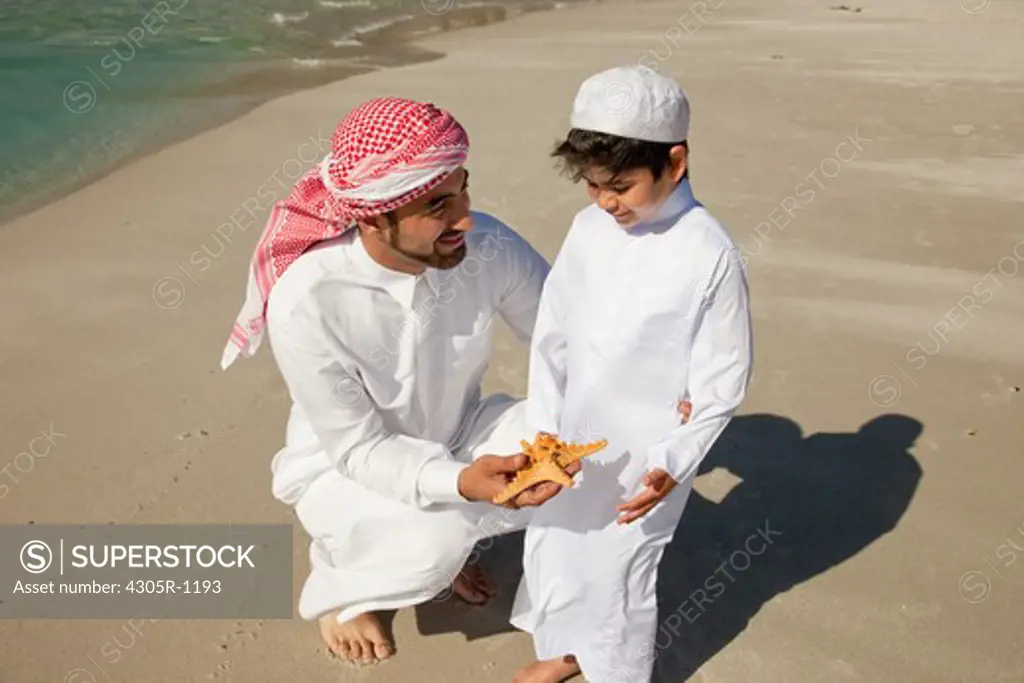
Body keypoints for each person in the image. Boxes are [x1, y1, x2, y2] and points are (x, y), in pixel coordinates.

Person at [219, 96, 576, 665]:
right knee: (434, 550)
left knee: (597, 453)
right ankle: (342, 583)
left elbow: (569, 346)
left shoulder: (488, 245)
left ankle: (523, 588)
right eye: (438, 205)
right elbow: (360, 449)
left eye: (463, 190)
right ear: (372, 217)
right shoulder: (308, 301)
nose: (464, 218)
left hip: (463, 432)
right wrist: (464, 485)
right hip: (346, 472)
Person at [508, 65, 754, 683]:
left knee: (621, 566)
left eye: (620, 185)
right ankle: (567, 651)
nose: (606, 201)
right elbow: (554, 334)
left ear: (675, 161)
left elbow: (722, 379)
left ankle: (615, 670)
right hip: (572, 430)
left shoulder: (708, 251)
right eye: (592, 185)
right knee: (560, 543)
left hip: (649, 448)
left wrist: (673, 461)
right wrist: (543, 427)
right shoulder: (589, 227)